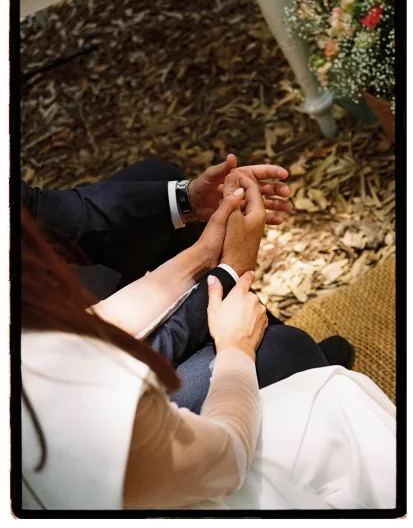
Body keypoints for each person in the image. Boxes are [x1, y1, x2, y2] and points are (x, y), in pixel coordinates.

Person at [20, 172, 395, 511]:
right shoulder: (64, 409)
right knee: (318, 380)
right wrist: (235, 349)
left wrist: (204, 257)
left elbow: (94, 325)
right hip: (188, 479)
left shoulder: (29, 343)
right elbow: (226, 459)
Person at [20, 155, 354, 414]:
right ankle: (280, 363)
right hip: (76, 403)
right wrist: (229, 274)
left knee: (155, 180)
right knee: (286, 352)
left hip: (64, 332)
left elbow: (33, 208)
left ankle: (249, 334)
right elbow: (98, 363)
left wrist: (187, 203)